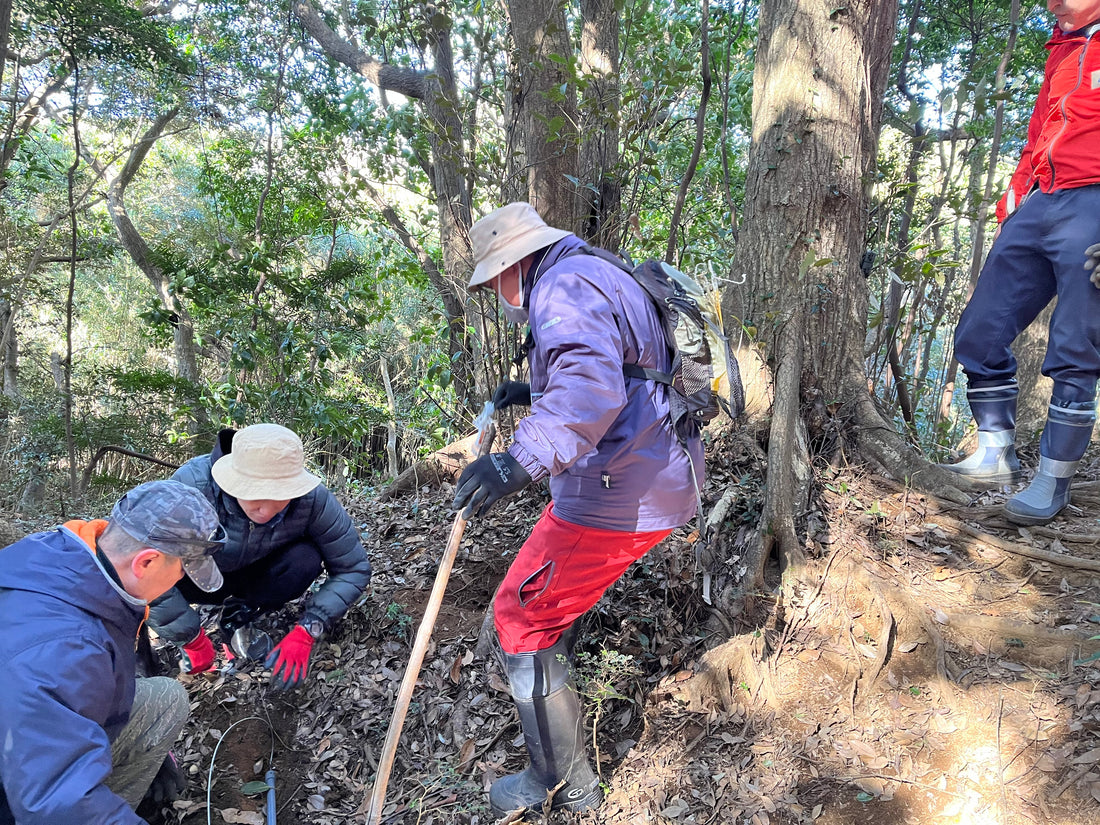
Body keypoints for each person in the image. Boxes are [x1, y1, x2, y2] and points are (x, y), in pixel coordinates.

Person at [451, 202, 704, 815]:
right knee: (539, 611)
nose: (495, 294)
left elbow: (591, 388)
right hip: (652, 473)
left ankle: (563, 786)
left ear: (515, 263)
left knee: (521, 620)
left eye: (493, 281)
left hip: (616, 491)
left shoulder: (561, 284)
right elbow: (621, 367)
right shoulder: (597, 269)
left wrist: (516, 463)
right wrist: (531, 391)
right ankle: (562, 756)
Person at [941, 0, 1100, 525]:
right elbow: (1038, 135)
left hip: (1094, 202)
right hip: (1041, 201)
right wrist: (1015, 206)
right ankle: (995, 453)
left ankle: (1053, 479)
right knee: (979, 333)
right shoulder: (1061, 49)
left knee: (1076, 343)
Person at [0, 480, 224, 824]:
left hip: (23, 745)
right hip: (18, 790)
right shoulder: (67, 647)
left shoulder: (62, 557)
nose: (180, 581)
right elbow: (55, 804)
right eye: (182, 570)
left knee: (165, 699)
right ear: (147, 562)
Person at [148, 423, 371, 689]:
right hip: (196, 577)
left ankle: (240, 613)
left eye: (279, 496)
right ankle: (138, 659)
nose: (265, 509)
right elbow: (143, 565)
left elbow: (353, 567)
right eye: (253, 492)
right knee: (148, 574)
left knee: (305, 558)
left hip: (255, 573)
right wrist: (190, 637)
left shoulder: (312, 500)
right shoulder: (193, 486)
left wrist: (309, 629)